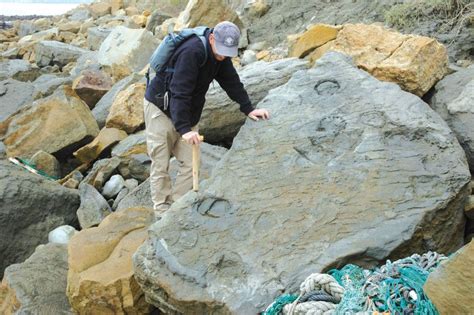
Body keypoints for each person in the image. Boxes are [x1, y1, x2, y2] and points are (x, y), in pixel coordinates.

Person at [143, 21, 270, 217]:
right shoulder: (192, 52)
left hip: (188, 111)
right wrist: (184, 129)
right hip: (161, 108)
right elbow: (179, 92)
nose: (223, 55)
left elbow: (232, 82)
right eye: (220, 49)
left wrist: (249, 109)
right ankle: (161, 212)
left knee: (191, 162)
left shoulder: (222, 56)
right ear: (212, 38)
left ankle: (178, 209)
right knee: (160, 163)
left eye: (228, 51)